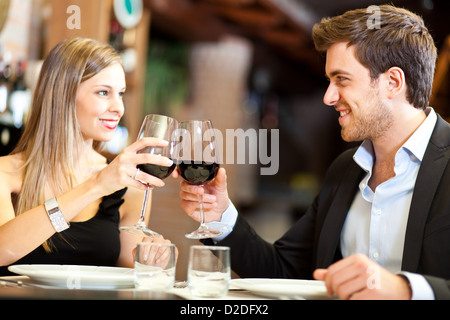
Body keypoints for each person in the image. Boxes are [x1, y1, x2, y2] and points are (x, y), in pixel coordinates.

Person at [178, 5, 450, 299]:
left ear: (393, 82)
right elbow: (282, 271)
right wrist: (220, 216)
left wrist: (405, 290)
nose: (328, 97)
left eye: (342, 79)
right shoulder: (345, 170)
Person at [0, 37, 175, 275]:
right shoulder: (5, 174)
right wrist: (96, 185)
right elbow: (2, 250)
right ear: (62, 95)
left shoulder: (130, 186)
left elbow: (126, 271)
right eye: (104, 92)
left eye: (121, 93)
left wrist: (150, 263)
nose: (118, 108)